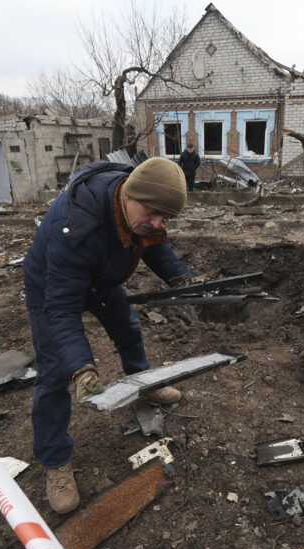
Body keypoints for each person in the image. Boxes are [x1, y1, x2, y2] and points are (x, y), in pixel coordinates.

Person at [23, 157, 195, 514]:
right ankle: (55, 461)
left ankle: (144, 388)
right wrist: (82, 367)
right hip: (52, 287)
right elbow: (62, 309)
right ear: (128, 195)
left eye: (165, 218)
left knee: (128, 331)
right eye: (152, 212)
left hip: (100, 277)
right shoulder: (75, 228)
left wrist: (177, 275)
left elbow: (151, 238)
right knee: (55, 371)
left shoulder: (136, 203)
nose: (157, 223)